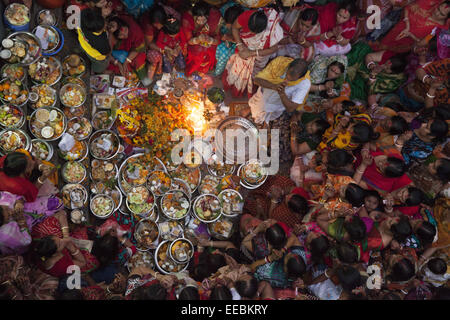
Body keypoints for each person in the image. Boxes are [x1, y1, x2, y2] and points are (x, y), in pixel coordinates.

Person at [222, 7, 284, 97]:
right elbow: (235, 28)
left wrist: (251, 53)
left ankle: (246, 90)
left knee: (254, 75)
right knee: (237, 71)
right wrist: (240, 45)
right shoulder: (246, 16)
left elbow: (273, 49)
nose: (250, 32)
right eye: (250, 29)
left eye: (254, 32)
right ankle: (237, 89)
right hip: (244, 50)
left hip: (260, 56)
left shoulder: (272, 29)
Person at [31, 211, 99, 277]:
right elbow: (82, 262)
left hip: (64, 244)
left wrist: (66, 236)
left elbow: (61, 214)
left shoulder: (41, 234)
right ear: (55, 254)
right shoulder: (61, 267)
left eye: (59, 238)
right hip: (71, 252)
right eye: (60, 244)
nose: (62, 240)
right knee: (92, 262)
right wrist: (72, 249)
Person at [371, 0, 450, 54]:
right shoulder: (430, 3)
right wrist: (407, 26)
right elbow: (408, 8)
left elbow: (421, 43)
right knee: (381, 45)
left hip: (406, 45)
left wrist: (409, 34)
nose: (436, 13)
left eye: (441, 14)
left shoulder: (439, 30)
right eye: (438, 9)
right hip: (398, 28)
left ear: (447, 18)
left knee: (387, 54)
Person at [249, 57, 311, 124]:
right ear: (288, 66)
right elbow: (257, 80)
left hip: (276, 105)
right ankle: (256, 117)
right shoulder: (280, 62)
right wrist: (274, 86)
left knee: (266, 120)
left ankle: (264, 124)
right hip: (261, 96)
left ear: (301, 78)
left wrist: (282, 94)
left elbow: (291, 108)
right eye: (287, 75)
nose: (287, 80)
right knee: (255, 111)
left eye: (292, 80)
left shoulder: (305, 83)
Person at [107, 15, 150, 84]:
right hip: (119, 52)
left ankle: (144, 79)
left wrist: (126, 62)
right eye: (121, 35)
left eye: (126, 30)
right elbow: (108, 54)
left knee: (138, 60)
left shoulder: (135, 31)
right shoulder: (111, 35)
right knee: (109, 66)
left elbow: (137, 49)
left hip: (134, 50)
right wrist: (118, 63)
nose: (125, 35)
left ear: (126, 25)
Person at [182, 2, 222, 76]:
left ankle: (205, 67)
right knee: (198, 51)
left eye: (204, 20)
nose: (201, 23)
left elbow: (217, 37)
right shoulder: (187, 20)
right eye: (198, 20)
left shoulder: (214, 17)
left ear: (208, 16)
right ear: (194, 17)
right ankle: (195, 67)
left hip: (209, 38)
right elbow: (189, 40)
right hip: (194, 40)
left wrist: (210, 40)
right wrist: (197, 39)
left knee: (210, 50)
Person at [213, 4, 245, 76]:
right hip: (223, 41)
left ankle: (218, 72)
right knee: (220, 49)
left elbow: (242, 41)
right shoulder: (223, 21)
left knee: (225, 53)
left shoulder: (242, 25)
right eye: (227, 22)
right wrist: (222, 36)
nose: (228, 26)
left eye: (231, 24)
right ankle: (217, 67)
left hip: (237, 45)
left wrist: (231, 39)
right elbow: (216, 33)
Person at [77, 8, 112, 74]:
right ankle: (96, 71)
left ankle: (82, 53)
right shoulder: (100, 41)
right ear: (98, 31)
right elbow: (107, 52)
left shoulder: (83, 15)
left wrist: (103, 15)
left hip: (83, 43)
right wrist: (110, 35)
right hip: (95, 56)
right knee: (101, 65)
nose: (106, 24)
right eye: (104, 25)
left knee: (83, 50)